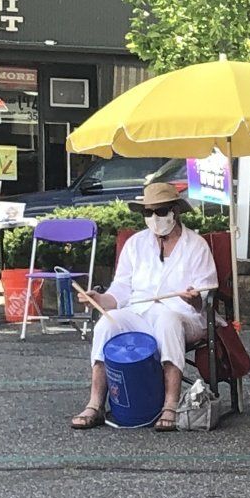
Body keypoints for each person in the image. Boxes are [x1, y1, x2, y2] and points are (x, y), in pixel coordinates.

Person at [69, 181, 216, 432]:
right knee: (106, 324)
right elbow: (120, 291)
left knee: (169, 321)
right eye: (148, 213)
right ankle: (95, 403)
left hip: (183, 315)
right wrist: (98, 299)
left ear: (175, 211)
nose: (154, 218)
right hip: (140, 314)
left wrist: (194, 298)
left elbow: (204, 296)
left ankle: (170, 404)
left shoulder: (196, 245)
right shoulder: (135, 244)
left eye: (160, 212)